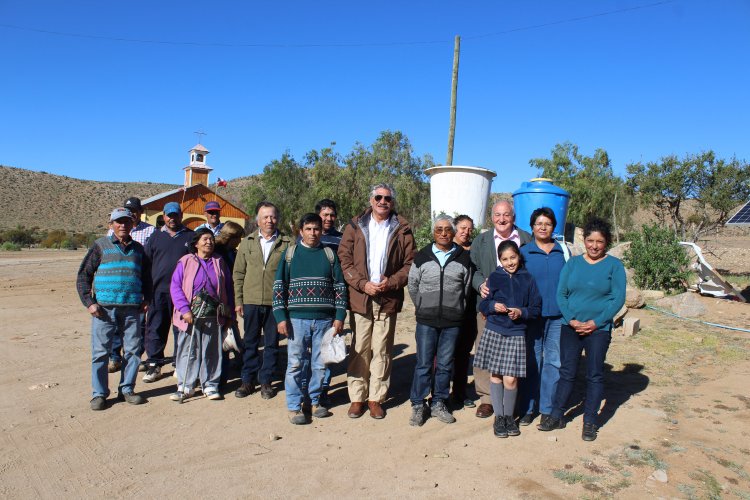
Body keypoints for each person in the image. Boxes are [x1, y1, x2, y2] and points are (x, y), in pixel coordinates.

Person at [538, 218, 626, 441]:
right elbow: (562, 294)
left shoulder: (614, 266)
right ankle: (557, 415)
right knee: (567, 371)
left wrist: (597, 322)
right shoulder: (574, 264)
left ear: (606, 243)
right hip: (571, 327)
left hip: (598, 329)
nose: (594, 246)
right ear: (584, 240)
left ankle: (590, 421)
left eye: (599, 241)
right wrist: (572, 319)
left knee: (594, 374)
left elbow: (618, 298)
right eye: (590, 240)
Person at [338, 183, 415, 420]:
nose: (383, 202)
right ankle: (357, 398)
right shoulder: (355, 226)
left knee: (382, 349)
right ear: (371, 200)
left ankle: (376, 398)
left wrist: (390, 282)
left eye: (387, 199)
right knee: (360, 348)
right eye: (379, 197)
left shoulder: (402, 228)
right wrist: (363, 284)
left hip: (387, 296)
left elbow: (409, 264)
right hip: (361, 297)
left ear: (392, 202)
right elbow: (345, 259)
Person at [273, 213, 348, 424]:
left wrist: (340, 316)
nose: (313, 233)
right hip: (297, 320)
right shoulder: (290, 254)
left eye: (316, 229)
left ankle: (314, 401)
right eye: (308, 229)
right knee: (296, 364)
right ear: (301, 232)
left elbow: (340, 287)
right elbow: (279, 287)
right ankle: (294, 406)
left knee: (320, 364)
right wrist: (281, 317)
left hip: (325, 320)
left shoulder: (329, 254)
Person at [76, 207, 152, 410]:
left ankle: (127, 389)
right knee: (100, 353)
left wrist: (147, 299)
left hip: (132, 309)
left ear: (132, 224)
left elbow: (147, 278)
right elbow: (84, 275)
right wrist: (89, 302)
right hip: (103, 309)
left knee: (133, 351)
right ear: (111, 224)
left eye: (127, 221)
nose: (122, 225)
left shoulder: (138, 249)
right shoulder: (100, 246)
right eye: (118, 222)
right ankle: (99, 394)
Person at [407, 215, 472, 426]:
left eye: (447, 229)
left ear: (453, 233)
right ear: (433, 232)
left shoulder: (463, 257)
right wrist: (424, 306)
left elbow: (466, 288)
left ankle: (438, 402)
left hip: (452, 321)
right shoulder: (422, 256)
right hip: (426, 319)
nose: (443, 233)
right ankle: (418, 404)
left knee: (445, 365)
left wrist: (456, 308)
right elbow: (413, 285)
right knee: (423, 364)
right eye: (439, 229)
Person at [470, 200, 532, 418]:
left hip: (517, 310)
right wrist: (480, 284)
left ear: (513, 217)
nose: (502, 219)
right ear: (492, 217)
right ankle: (487, 399)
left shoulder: (526, 239)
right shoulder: (482, 241)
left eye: (506, 215)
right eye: (497, 215)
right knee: (486, 353)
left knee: (515, 357)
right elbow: (473, 270)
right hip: (489, 307)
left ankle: (512, 402)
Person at [475, 241, 541, 437]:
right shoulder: (494, 277)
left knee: (511, 379)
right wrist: (492, 306)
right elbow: (483, 304)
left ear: (519, 257)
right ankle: (499, 418)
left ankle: (510, 416)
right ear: (500, 260)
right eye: (505, 259)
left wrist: (521, 312)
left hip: (516, 333)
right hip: (495, 330)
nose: (510, 262)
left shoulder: (528, 279)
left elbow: (536, 308)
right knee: (495, 375)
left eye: (513, 257)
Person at [233, 202, 291, 400]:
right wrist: (238, 300)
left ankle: (266, 381)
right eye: (265, 217)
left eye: (273, 217)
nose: (269, 220)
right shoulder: (247, 242)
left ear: (278, 219)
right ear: (257, 220)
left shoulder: (287, 243)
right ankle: (247, 380)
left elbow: (290, 274)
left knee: (272, 343)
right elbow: (239, 272)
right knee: (250, 342)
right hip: (251, 300)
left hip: (276, 302)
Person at [169, 228, 235, 401]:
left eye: (211, 239)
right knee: (187, 351)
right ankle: (186, 386)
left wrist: (229, 315)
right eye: (205, 239)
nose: (209, 242)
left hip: (213, 315)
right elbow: (175, 286)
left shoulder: (219, 261)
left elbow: (228, 288)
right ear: (196, 243)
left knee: (212, 351)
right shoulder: (185, 261)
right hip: (190, 315)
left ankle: (210, 385)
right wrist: (184, 309)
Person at [518, 207, 567, 426]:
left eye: (547, 223)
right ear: (532, 227)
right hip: (533, 317)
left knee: (554, 361)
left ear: (553, 227)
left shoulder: (562, 251)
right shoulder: (524, 252)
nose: (543, 227)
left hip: (557, 316)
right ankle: (528, 407)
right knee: (532, 360)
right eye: (539, 223)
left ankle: (547, 408)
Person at [142, 202, 194, 383]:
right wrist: (145, 291)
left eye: (176, 215)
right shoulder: (155, 237)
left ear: (181, 215)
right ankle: (154, 364)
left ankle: (179, 364)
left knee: (181, 329)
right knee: (156, 327)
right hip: (158, 291)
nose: (172, 219)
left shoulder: (190, 236)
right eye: (169, 215)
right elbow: (146, 264)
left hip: (182, 294)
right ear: (164, 216)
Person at [106, 196, 155, 373]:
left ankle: (135, 357)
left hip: (138, 283)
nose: (132, 214)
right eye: (129, 210)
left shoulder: (150, 231)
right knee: (115, 324)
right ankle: (114, 357)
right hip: (117, 284)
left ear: (141, 213)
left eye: (135, 210)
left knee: (138, 325)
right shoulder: (113, 232)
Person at [450, 214, 477, 409]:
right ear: (454, 229)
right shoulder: (447, 249)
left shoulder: (475, 249)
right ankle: (439, 393)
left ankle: (459, 392)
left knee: (463, 352)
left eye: (469, 229)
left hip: (470, 309)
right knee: (443, 353)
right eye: (462, 228)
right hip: (449, 309)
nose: (466, 232)